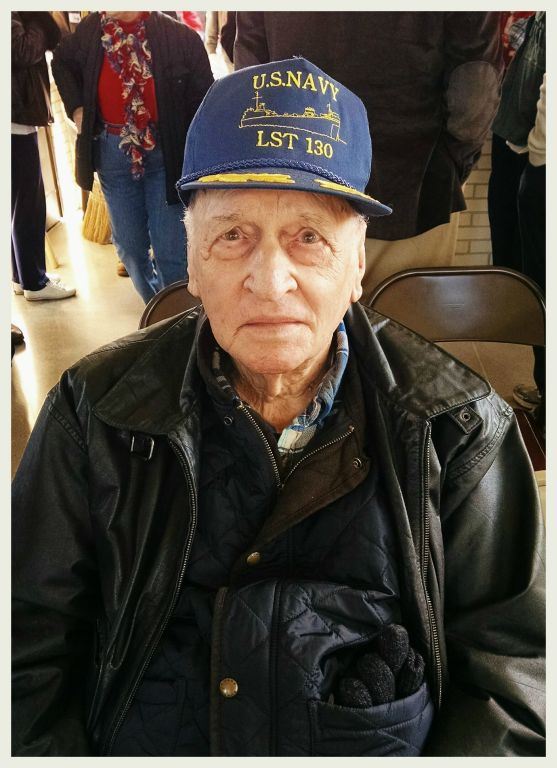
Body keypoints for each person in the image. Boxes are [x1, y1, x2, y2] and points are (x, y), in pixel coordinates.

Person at [12, 58, 544, 756]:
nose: (270, 281)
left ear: (356, 265)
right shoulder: (95, 412)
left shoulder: (456, 425)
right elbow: (24, 650)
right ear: (193, 264)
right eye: (232, 236)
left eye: (309, 237)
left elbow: (511, 677)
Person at [233, 11, 504, 299]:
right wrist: (452, 163)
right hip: (417, 184)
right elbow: (476, 89)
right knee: (406, 325)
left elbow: (250, 75)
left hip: (302, 178)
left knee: (308, 328)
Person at [52, 11, 213, 304]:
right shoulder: (91, 30)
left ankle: (174, 323)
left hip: (167, 157)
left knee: (172, 255)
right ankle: (155, 310)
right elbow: (61, 62)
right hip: (112, 152)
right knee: (130, 249)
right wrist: (77, 108)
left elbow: (204, 101)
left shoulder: (179, 37)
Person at [488, 12, 545, 423]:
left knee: (541, 294)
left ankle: (547, 402)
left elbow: (534, 97)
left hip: (544, 170)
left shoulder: (543, 21)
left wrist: (533, 157)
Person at [11, 11, 76, 301]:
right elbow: (22, 50)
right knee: (29, 203)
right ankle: (35, 282)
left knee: (18, 202)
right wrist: (40, 19)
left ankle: (21, 276)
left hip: (15, 116)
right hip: (14, 118)